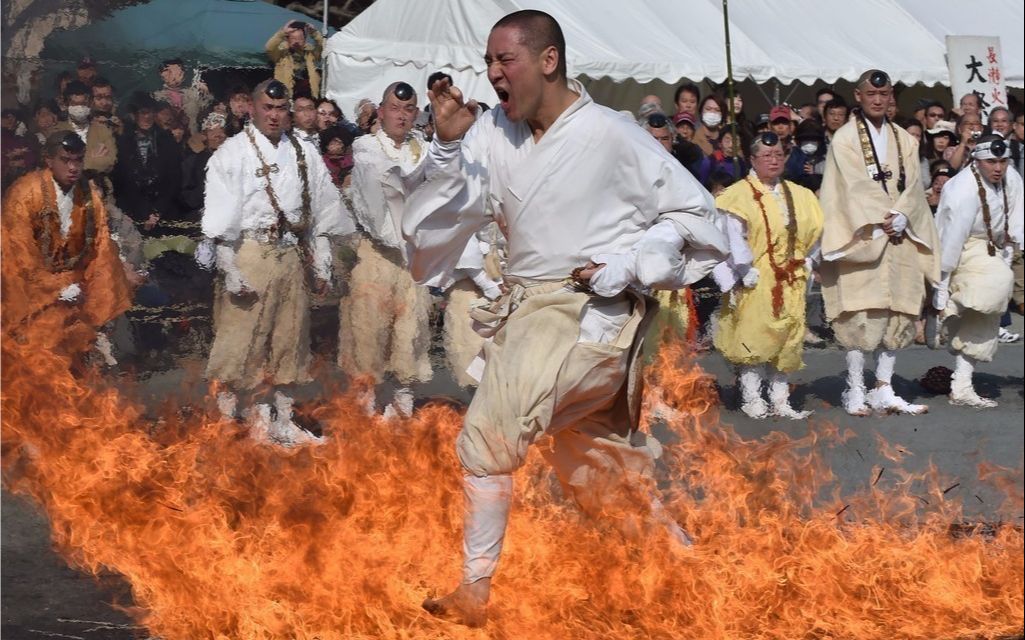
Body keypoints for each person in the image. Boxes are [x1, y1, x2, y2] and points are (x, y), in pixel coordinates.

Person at [403, 10, 727, 627]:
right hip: (530, 313)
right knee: (597, 474)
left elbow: (698, 219)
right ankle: (689, 572)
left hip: (591, 317)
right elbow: (436, 223)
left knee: (489, 435)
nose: (494, 74)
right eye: (489, 62)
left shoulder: (610, 133)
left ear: (548, 61)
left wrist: (628, 264)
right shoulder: (493, 132)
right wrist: (447, 144)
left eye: (507, 61)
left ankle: (475, 591)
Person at [202, 79, 354, 444]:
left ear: (290, 112)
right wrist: (230, 266)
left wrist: (322, 261)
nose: (274, 115)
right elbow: (220, 220)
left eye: (281, 108)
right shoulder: (232, 153)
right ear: (252, 108)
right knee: (243, 344)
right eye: (267, 108)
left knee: (290, 342)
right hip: (251, 251)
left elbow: (322, 211)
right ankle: (247, 423)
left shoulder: (303, 151)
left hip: (291, 254)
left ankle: (284, 421)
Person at [818, 69, 939, 416]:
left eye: (884, 95)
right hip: (864, 234)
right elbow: (851, 187)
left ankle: (883, 387)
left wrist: (904, 214)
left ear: (890, 98)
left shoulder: (905, 139)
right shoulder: (844, 139)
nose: (877, 100)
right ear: (858, 96)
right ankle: (855, 389)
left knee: (897, 312)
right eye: (871, 94)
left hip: (899, 234)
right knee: (860, 312)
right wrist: (885, 216)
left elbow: (914, 185)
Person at [337, 81, 435, 417]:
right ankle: (365, 408)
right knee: (368, 331)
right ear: (381, 112)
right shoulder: (366, 147)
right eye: (395, 108)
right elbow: (377, 189)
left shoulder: (423, 147)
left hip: (412, 258)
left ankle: (403, 405)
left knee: (411, 331)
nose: (402, 116)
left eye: (409, 110)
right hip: (375, 254)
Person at [712, 131, 824, 418]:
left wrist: (809, 260)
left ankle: (780, 399)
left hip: (792, 277)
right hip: (757, 277)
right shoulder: (737, 195)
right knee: (754, 337)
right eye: (766, 155)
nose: (773, 161)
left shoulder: (800, 194)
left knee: (787, 339)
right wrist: (743, 269)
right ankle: (752, 397)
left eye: (778, 155)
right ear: (752, 159)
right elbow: (731, 237)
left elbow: (815, 231)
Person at [1, 132, 131, 359]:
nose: (73, 168)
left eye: (78, 160)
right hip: (30, 287)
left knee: (77, 351)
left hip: (75, 285)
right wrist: (55, 288)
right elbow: (18, 251)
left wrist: (96, 289)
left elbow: (101, 247)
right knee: (35, 357)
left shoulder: (89, 195)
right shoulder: (23, 193)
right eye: (65, 160)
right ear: (49, 160)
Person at [931, 136, 1023, 406]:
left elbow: (1018, 216)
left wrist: (1013, 245)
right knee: (999, 281)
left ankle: (961, 385)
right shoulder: (963, 189)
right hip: (963, 247)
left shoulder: (1011, 178)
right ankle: (946, 307)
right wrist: (940, 282)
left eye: (1002, 161)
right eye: (991, 162)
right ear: (976, 160)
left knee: (986, 317)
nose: (998, 167)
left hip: (993, 248)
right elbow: (951, 237)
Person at [111, 93, 182, 236]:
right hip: (132, 213)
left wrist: (157, 212)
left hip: (163, 213)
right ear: (133, 115)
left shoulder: (166, 139)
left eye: (151, 112)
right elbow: (121, 182)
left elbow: (174, 179)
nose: (147, 117)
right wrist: (141, 213)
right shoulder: (122, 142)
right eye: (142, 113)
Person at [52, 81, 117, 176]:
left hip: (98, 187)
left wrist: (75, 162)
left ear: (90, 103)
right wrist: (92, 160)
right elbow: (58, 165)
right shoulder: (56, 131)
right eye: (75, 104)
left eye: (83, 104)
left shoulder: (103, 130)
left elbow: (110, 162)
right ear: (67, 105)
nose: (80, 108)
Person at [152, 58, 213, 134]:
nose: (174, 78)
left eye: (178, 73)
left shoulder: (195, 92)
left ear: (183, 74)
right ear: (161, 75)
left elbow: (207, 105)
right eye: (169, 72)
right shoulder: (157, 96)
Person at [266, 20, 324, 98]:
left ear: (305, 39)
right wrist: (282, 33)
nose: (296, 42)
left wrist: (314, 33)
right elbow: (269, 48)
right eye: (293, 38)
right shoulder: (281, 53)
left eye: (300, 39)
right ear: (287, 39)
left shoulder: (311, 53)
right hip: (287, 96)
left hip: (309, 94)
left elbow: (323, 46)